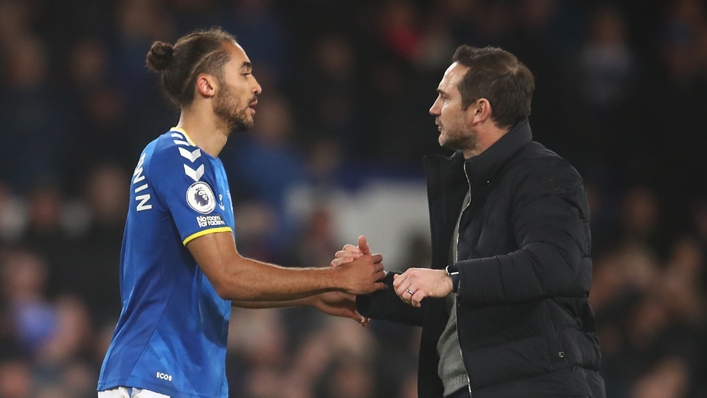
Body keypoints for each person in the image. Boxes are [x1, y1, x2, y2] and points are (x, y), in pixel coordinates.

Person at [96, 28, 386, 398]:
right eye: (245, 73)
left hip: (189, 383)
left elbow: (219, 285)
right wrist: (335, 278)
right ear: (207, 85)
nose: (257, 86)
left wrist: (315, 296)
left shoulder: (209, 169)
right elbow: (228, 276)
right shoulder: (176, 156)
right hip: (155, 376)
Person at [335, 46, 605, 398]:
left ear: (480, 110)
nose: (433, 108)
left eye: (444, 97)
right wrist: (368, 289)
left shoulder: (544, 173)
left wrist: (450, 278)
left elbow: (553, 264)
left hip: (536, 385)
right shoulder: (465, 187)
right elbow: (461, 301)